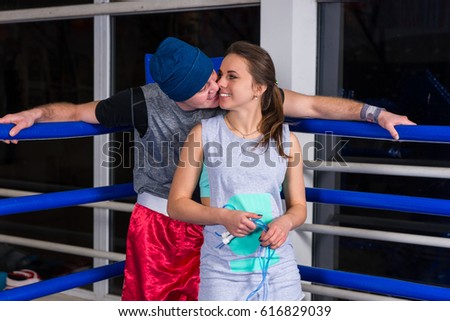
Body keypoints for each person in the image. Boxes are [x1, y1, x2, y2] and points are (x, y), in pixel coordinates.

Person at [0, 37, 415, 301]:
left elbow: (315, 104)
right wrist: (34, 113)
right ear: (179, 95)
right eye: (206, 87)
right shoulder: (143, 103)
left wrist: (374, 113)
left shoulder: (249, 97)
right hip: (165, 219)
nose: (217, 87)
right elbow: (76, 111)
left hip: (226, 226)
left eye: (218, 76)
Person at [168, 41, 306, 301]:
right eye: (221, 75)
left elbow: (298, 207)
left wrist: (285, 222)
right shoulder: (202, 134)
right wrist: (223, 217)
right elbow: (176, 205)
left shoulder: (287, 140)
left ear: (258, 87)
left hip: (280, 270)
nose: (220, 83)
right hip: (221, 272)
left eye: (231, 76)